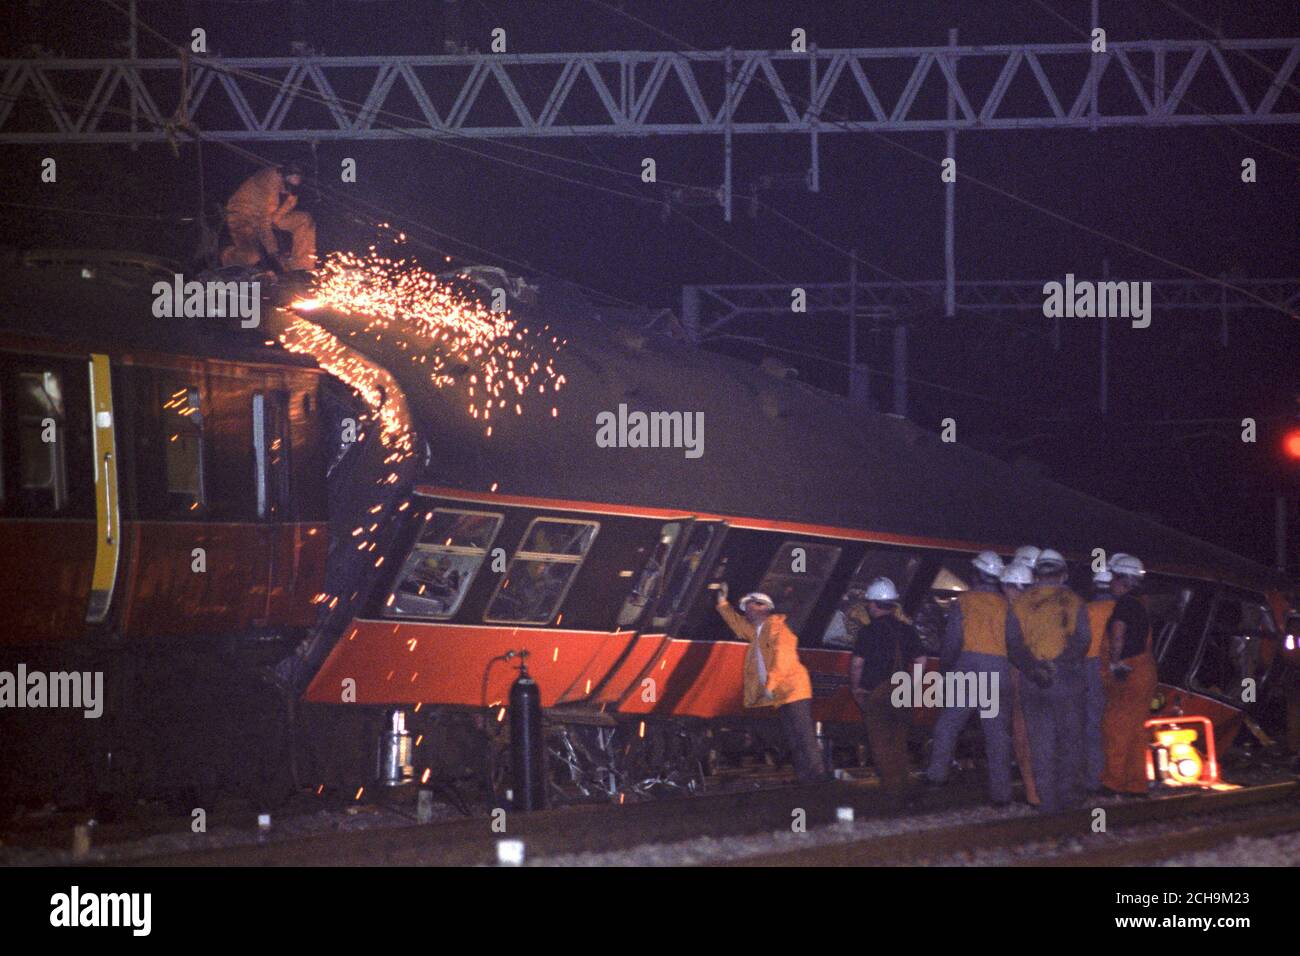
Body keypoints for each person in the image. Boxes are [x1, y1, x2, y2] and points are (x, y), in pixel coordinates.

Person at [1006, 549, 1091, 813]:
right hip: (1066, 679)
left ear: (1036, 574)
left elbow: (1014, 645)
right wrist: (1058, 665)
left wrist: (1034, 669)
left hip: (1033, 681)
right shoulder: (1074, 601)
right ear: (1062, 574)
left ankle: (1047, 805)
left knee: (1040, 743)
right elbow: (1082, 640)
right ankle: (1068, 801)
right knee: (1069, 741)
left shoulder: (1019, 604)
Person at [714, 584, 827, 784]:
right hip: (783, 692)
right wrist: (723, 603)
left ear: (764, 608)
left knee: (803, 736)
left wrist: (769, 686)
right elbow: (737, 624)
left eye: (752, 606)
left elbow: (782, 660)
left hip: (794, 690)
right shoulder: (757, 631)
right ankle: (805, 778)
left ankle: (817, 776)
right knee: (794, 738)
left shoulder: (777, 629)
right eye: (746, 606)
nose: (747, 610)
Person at [925, 552, 1013, 804]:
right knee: (997, 735)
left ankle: (937, 776)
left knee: (948, 725)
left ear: (976, 574)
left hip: (968, 668)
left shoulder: (964, 602)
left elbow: (953, 641)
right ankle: (1002, 793)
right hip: (998, 669)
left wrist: (945, 669)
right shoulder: (1007, 605)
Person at [850, 578, 924, 793]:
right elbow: (921, 661)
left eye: (869, 603)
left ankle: (891, 790)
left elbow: (857, 665)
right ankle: (903, 785)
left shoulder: (867, 632)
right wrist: (913, 687)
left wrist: (856, 690)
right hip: (902, 691)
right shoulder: (907, 630)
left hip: (877, 693)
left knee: (881, 742)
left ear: (874, 604)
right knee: (899, 741)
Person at [1101, 554, 1158, 795]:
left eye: (1113, 578)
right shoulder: (1141, 604)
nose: (1111, 583)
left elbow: (1118, 635)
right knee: (1136, 730)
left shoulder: (1124, 606)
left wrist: (1114, 664)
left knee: (1116, 727)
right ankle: (1136, 784)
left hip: (1128, 672)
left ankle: (1112, 782)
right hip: (1144, 672)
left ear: (1123, 580)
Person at [220, 163, 317, 273]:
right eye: (295, 175)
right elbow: (263, 222)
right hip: (243, 216)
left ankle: (301, 267)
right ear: (286, 172)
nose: (298, 179)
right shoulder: (269, 180)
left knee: (304, 220)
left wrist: (292, 197)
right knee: (253, 256)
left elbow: (277, 215)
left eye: (300, 176)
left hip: (269, 216)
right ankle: (227, 256)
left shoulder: (291, 186)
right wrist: (274, 253)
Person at [1000, 562, 1039, 806]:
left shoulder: (1013, 613)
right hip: (1045, 679)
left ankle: (1034, 795)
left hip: (1021, 677)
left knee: (1023, 737)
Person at [1083, 566, 1116, 794]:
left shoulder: (1086, 610)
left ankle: (1094, 779)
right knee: (1116, 722)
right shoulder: (1122, 609)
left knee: (1092, 725)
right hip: (1119, 668)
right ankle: (1117, 776)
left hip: (1090, 666)